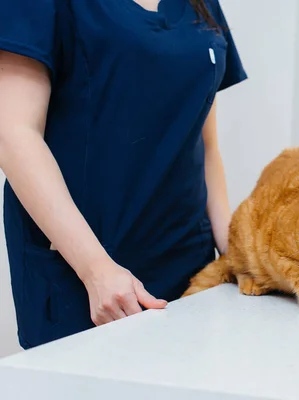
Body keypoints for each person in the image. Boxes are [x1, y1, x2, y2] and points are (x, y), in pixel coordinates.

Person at [0, 0, 246, 349]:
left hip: (192, 270)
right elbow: (13, 134)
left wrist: (239, 254)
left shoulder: (200, 4)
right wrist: (95, 269)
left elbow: (205, 145)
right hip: (84, 270)